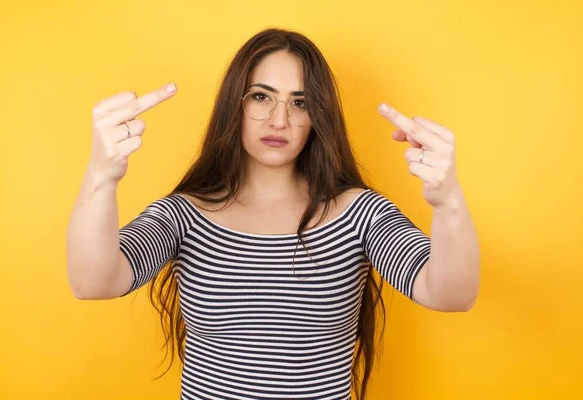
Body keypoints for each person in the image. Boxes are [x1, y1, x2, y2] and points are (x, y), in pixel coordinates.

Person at [66, 28, 479, 400]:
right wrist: (102, 175)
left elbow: (451, 295)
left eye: (300, 103)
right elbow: (92, 282)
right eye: (261, 96)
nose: (279, 120)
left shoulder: (361, 214)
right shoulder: (183, 216)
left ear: (318, 117)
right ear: (234, 104)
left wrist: (449, 202)